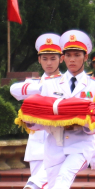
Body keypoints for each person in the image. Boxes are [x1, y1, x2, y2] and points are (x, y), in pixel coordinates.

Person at [20, 29, 95, 189]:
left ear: (85, 57)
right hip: (54, 145)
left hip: (80, 143)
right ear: (63, 57)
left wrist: (83, 123)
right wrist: (30, 122)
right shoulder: (50, 84)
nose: (72, 59)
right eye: (68, 55)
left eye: (77, 55)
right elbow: (42, 121)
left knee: (64, 177)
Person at [10, 33, 64, 177]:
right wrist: (42, 87)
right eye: (45, 59)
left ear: (61, 59)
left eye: (53, 58)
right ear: (39, 60)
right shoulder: (34, 83)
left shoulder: (68, 84)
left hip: (61, 144)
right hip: (37, 144)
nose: (49, 63)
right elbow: (14, 90)